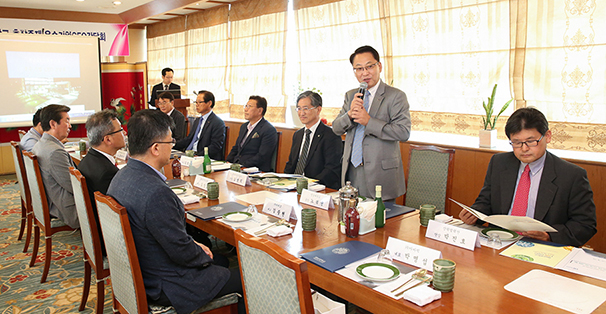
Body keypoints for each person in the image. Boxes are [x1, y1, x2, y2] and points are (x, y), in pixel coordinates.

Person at [107, 109, 243, 314]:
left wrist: (197, 247)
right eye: (170, 142)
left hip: (146, 271)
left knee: (220, 260)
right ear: (155, 148)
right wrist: (202, 254)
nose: (172, 147)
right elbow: (181, 252)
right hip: (168, 284)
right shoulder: (156, 193)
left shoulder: (121, 177)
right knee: (247, 279)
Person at [459, 107, 597, 247]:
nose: (524, 149)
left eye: (531, 141)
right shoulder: (499, 163)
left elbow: (585, 225)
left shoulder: (571, 175)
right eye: (517, 143)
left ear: (547, 136)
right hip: (499, 242)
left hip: (542, 247)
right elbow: (486, 202)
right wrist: (474, 214)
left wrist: (548, 236)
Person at [332, 45, 411, 200]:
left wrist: (369, 121)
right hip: (352, 171)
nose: (365, 73)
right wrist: (349, 115)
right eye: (359, 69)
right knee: (350, 219)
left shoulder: (395, 96)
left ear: (379, 66)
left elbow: (403, 132)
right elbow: (336, 128)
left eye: (369, 67)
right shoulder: (351, 96)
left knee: (382, 222)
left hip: (380, 173)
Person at [78, 110, 126, 254]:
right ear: (108, 139)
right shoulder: (107, 173)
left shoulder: (87, 160)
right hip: (111, 243)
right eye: (121, 130)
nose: (124, 133)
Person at [31, 104, 79, 228]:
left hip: (54, 202)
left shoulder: (41, 144)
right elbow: (73, 186)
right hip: (69, 209)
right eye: (67, 121)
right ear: (53, 124)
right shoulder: (55, 152)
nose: (70, 126)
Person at [284, 91, 343, 189]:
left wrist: (308, 185)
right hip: (293, 187)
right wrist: (283, 182)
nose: (302, 113)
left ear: (318, 109)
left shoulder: (331, 135)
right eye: (299, 109)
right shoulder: (298, 135)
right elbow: (291, 164)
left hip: (317, 188)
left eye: (306, 109)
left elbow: (331, 170)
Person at [226, 96, 277, 172]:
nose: (245, 109)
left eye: (249, 107)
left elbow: (262, 156)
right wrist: (228, 162)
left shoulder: (268, 130)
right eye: (246, 106)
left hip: (254, 170)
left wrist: (241, 165)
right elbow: (236, 148)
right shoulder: (244, 127)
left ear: (260, 111)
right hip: (238, 168)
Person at [174, 90, 225, 160]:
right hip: (189, 155)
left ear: (209, 103)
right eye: (196, 102)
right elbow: (189, 139)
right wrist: (172, 145)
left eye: (200, 102)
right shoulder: (197, 121)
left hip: (203, 158)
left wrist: (197, 155)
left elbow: (215, 146)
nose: (197, 105)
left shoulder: (217, 123)